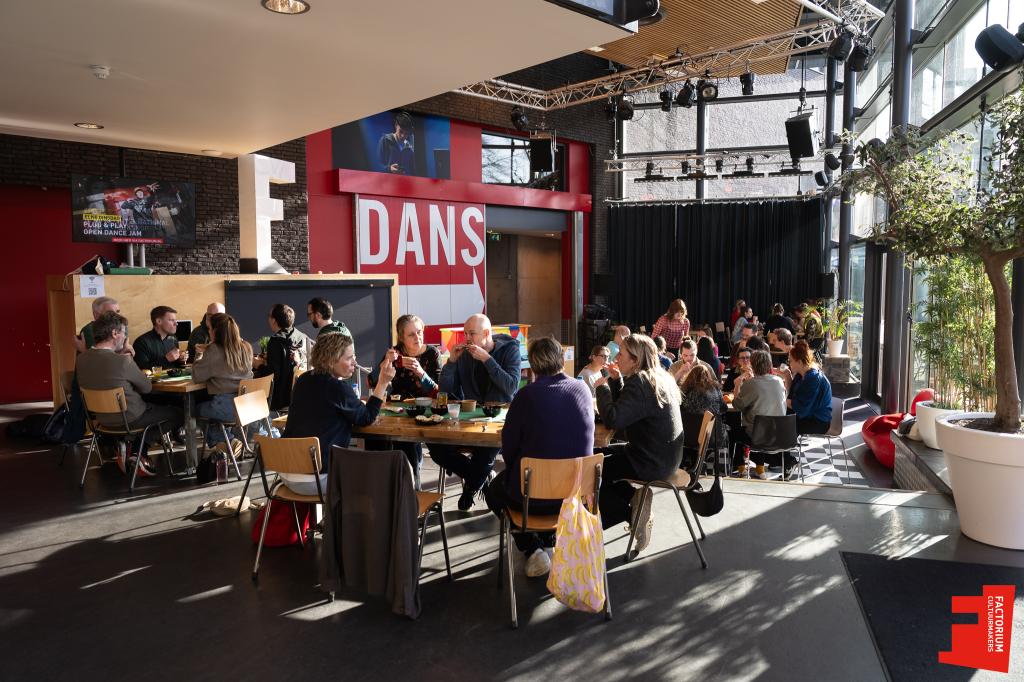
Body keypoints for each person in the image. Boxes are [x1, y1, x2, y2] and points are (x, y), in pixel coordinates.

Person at [484, 337, 594, 578]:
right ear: (561, 359)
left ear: (532, 365)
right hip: (576, 496)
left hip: (531, 498)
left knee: (494, 491)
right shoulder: (583, 389)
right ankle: (548, 540)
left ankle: (532, 548)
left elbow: (509, 449)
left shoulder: (526, 396)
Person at [594, 334, 683, 555]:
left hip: (650, 462)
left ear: (635, 360)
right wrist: (616, 381)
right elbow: (630, 408)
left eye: (621, 354)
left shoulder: (641, 383)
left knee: (591, 472)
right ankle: (635, 499)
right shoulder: (658, 377)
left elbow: (614, 419)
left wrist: (602, 388)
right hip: (665, 458)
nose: (616, 357)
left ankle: (631, 513)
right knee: (597, 455)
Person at [284, 333, 396, 495]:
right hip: (318, 479)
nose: (355, 362)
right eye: (349, 358)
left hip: (287, 472)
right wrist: (383, 383)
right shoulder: (337, 388)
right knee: (385, 466)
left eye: (354, 356)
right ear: (330, 361)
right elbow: (366, 417)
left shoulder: (303, 380)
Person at [76, 312, 184, 476]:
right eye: (124, 333)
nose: (125, 337)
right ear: (114, 333)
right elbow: (147, 388)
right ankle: (138, 449)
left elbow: (105, 367)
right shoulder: (123, 361)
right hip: (130, 417)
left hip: (101, 420)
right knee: (179, 412)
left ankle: (130, 445)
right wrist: (128, 359)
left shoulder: (82, 359)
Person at [433, 313, 522, 511]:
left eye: (472, 333)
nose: (467, 338)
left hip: (499, 421)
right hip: (470, 418)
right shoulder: (465, 355)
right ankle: (481, 477)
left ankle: (471, 488)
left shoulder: (510, 350)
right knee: (437, 447)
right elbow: (444, 392)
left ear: (487, 333)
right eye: (465, 333)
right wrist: (451, 363)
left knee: (485, 448)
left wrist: (487, 360)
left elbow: (511, 387)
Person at [366, 314, 440, 489]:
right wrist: (385, 363)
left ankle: (411, 489)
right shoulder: (396, 353)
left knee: (405, 442)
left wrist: (421, 373)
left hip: (425, 413)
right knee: (375, 439)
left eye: (419, 332)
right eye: (411, 334)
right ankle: (383, 488)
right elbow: (371, 381)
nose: (417, 337)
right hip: (396, 412)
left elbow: (439, 394)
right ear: (402, 337)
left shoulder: (432, 353)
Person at [192, 313, 253, 452]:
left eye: (209, 328)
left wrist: (199, 353)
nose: (208, 332)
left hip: (226, 408)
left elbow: (196, 376)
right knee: (210, 410)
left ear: (215, 331)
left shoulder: (214, 350)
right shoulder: (246, 347)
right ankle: (226, 445)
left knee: (194, 409)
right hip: (247, 405)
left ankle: (226, 442)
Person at [730, 350, 788, 479]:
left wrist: (737, 385)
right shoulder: (779, 381)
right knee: (761, 420)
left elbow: (737, 405)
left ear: (753, 364)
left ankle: (740, 467)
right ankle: (759, 468)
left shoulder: (752, 383)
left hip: (758, 436)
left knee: (733, 432)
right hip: (779, 435)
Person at [253, 304, 310, 412]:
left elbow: (272, 375)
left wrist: (258, 365)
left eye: (269, 316)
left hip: (281, 399)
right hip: (301, 394)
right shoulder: (302, 337)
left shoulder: (276, 342)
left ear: (274, 320)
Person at [777, 340, 833, 436]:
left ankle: (784, 445)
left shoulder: (813, 378)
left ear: (799, 362)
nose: (789, 363)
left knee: (780, 425)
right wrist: (787, 377)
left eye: (790, 361)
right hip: (807, 416)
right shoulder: (801, 375)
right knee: (778, 420)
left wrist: (779, 400)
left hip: (818, 421)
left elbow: (801, 408)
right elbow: (791, 397)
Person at [133, 306, 187, 370]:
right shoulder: (141, 342)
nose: (176, 323)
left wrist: (181, 360)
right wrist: (166, 359)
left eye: (175, 320)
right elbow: (142, 370)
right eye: (172, 320)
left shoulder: (173, 338)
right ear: (159, 321)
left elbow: (175, 365)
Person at [377, 111, 416, 175]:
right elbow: (377, 166)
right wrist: (389, 169)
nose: (403, 136)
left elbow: (413, 170)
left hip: (404, 180)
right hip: (388, 180)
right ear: (396, 126)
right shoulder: (385, 140)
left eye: (406, 133)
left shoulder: (409, 146)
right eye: (401, 131)